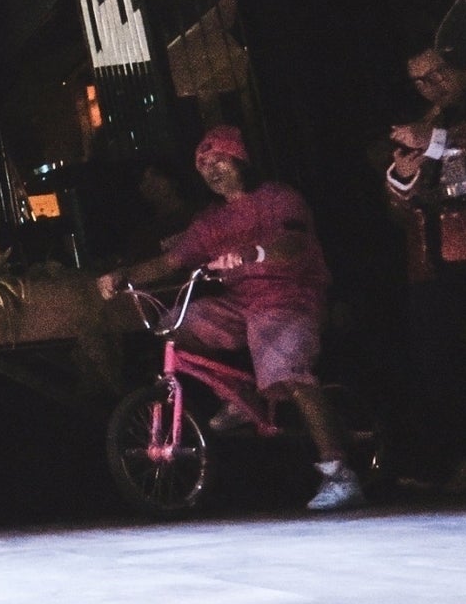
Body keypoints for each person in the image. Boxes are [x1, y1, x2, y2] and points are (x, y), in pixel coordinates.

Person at [96, 125, 363, 511]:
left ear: (241, 159)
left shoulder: (276, 197)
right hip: (241, 304)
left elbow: (293, 242)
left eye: (219, 159)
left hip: (291, 299)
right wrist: (125, 275)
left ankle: (340, 474)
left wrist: (252, 254)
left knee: (286, 368)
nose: (211, 169)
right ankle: (240, 395)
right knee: (175, 326)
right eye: (203, 165)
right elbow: (171, 261)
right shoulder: (211, 220)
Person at [384, 47, 466, 490]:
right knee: (444, 368)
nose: (431, 85)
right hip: (431, 264)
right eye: (420, 80)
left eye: (438, 72)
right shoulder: (427, 124)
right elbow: (398, 210)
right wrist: (402, 175)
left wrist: (433, 141)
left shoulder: (438, 129)